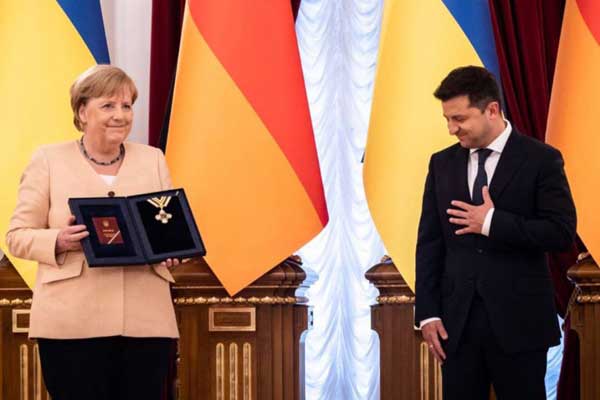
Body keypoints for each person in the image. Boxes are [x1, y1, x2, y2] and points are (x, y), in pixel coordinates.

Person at [6, 65, 180, 400]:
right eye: (108, 105)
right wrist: (58, 240)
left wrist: (171, 250)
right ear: (82, 112)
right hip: (71, 322)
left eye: (126, 106)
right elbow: (17, 236)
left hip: (145, 320)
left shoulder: (153, 159)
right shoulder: (48, 159)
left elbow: (166, 227)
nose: (120, 115)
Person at [415, 66, 576, 400]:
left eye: (459, 118)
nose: (451, 129)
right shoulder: (441, 164)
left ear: (492, 110)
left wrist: (492, 222)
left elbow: (560, 232)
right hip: (456, 327)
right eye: (447, 119)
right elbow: (429, 244)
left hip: (520, 324)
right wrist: (428, 313)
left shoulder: (541, 159)